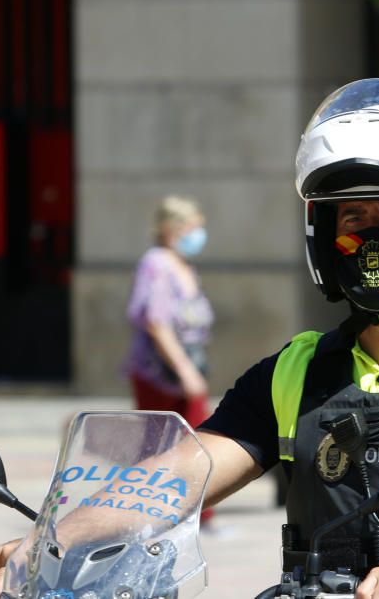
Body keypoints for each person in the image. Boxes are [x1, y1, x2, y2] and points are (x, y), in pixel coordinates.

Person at [0, 79, 379, 599]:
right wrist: (51, 543)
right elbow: (180, 474)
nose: (371, 239)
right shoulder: (298, 370)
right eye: (353, 220)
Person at [123, 195, 215, 523]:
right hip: (161, 373)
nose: (197, 236)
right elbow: (157, 322)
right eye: (191, 228)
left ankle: (191, 514)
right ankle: (151, 513)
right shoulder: (157, 263)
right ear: (170, 229)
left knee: (192, 441)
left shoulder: (182, 265)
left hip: (185, 366)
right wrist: (185, 370)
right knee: (162, 445)